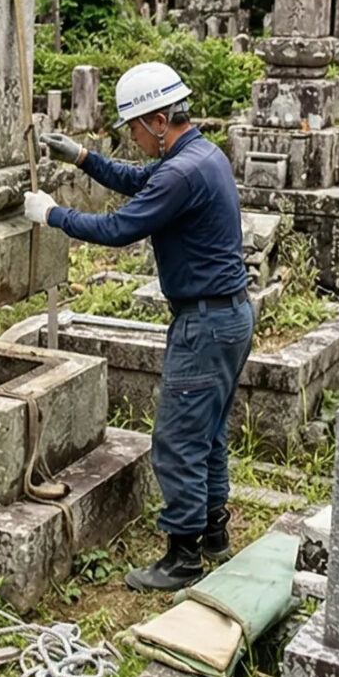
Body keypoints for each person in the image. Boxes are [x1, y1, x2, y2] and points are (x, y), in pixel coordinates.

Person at [26, 62, 253, 591]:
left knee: (176, 439)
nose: (133, 138)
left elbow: (118, 228)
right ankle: (213, 532)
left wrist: (51, 214)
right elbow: (135, 179)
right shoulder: (200, 155)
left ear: (156, 120)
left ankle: (182, 556)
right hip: (228, 316)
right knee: (208, 432)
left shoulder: (180, 172)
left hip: (205, 324)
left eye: (133, 127)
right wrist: (82, 158)